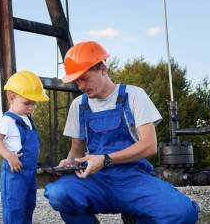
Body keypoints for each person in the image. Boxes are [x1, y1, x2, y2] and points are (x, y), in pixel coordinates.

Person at [44, 41, 199, 224]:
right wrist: (69, 164)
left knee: (183, 213)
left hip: (132, 178)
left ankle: (137, 216)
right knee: (58, 193)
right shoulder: (78, 105)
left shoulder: (134, 96)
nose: (81, 86)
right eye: (76, 81)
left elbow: (149, 145)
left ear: (102, 69)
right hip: (95, 180)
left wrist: (105, 159)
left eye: (85, 78)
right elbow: (77, 150)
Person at [0, 70, 49, 224]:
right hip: (14, 173)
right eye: (27, 103)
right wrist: (9, 156)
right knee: (14, 207)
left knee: (29, 205)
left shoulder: (27, 119)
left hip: (29, 173)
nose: (31, 107)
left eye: (33, 103)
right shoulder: (7, 120)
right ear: (12, 97)